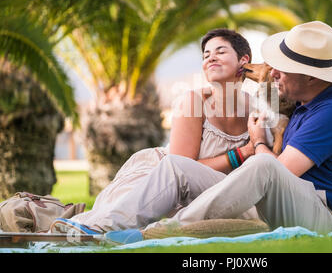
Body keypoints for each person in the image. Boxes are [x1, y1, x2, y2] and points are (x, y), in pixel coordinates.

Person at [136, 20, 332, 236]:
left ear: (311, 78)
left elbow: (279, 172)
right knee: (178, 166)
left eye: (283, 69)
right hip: (287, 203)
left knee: (263, 164)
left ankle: (169, 229)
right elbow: (266, 81)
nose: (274, 73)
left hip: (327, 218)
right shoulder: (306, 99)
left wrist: (257, 142)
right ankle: (106, 229)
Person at [50, 28, 259, 234]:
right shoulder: (195, 101)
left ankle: (96, 227)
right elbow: (182, 166)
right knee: (112, 212)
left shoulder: (259, 107)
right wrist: (242, 153)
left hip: (214, 189)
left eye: (220, 52)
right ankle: (89, 227)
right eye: (206, 55)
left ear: (244, 60)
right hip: (160, 177)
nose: (211, 58)